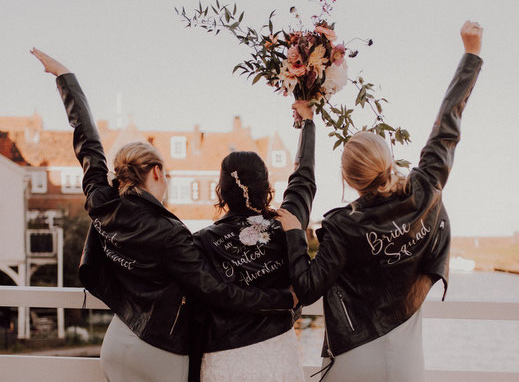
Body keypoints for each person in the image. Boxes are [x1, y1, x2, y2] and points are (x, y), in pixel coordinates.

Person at [30, 48, 297, 382]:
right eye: (167, 174)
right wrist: (283, 298)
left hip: (117, 340)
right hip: (159, 348)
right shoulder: (171, 234)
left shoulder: (101, 201)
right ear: (156, 172)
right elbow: (217, 291)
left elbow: (88, 145)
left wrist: (65, 78)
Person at [276, 20, 484, 382]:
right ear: (389, 159)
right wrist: (471, 53)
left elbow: (307, 288)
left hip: (354, 356)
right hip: (407, 360)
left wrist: (294, 233)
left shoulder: (342, 227)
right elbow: (447, 125)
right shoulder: (424, 190)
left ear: (348, 180)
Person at [190, 107, 316, 382]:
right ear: (267, 186)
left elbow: (212, 297)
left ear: (221, 190)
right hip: (277, 352)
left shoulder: (201, 241)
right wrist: (308, 123)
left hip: (223, 357)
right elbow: (303, 179)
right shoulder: (287, 223)